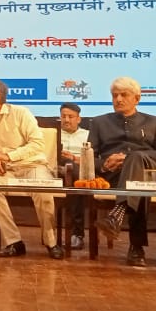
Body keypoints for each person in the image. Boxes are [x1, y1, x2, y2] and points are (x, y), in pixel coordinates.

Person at [0, 79, 64, 260]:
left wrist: (9, 156)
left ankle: (51, 242)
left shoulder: (21, 113)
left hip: (32, 165)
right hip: (5, 171)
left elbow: (37, 144)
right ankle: (14, 242)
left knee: (43, 190)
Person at [90, 76, 156, 267]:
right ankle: (136, 248)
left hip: (149, 173)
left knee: (136, 161)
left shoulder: (154, 122)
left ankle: (117, 213)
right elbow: (89, 158)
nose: (118, 99)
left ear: (137, 98)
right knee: (137, 186)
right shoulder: (99, 122)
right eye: (114, 95)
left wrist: (130, 158)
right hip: (114, 176)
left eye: (123, 95)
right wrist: (104, 165)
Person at [59, 102, 90, 250]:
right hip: (56, 171)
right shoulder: (53, 134)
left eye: (70, 117)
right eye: (63, 116)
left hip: (80, 172)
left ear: (79, 119)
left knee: (75, 175)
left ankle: (76, 233)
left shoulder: (88, 135)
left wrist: (74, 158)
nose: (66, 120)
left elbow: (94, 159)